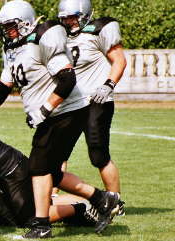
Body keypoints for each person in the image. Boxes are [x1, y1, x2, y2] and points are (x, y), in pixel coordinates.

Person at [0, 0, 120, 238]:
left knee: (38, 167)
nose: (7, 32)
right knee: (49, 171)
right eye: (4, 27)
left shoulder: (40, 41)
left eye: (11, 26)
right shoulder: (14, 50)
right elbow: (2, 88)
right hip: (53, 115)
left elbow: (67, 79)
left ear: (25, 23)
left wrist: (44, 109)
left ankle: (42, 225)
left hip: (66, 111)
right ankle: (101, 198)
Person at [57, 0, 126, 213]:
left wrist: (109, 85)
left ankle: (115, 202)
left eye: (73, 17)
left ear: (85, 15)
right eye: (65, 18)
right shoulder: (59, 35)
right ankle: (50, 197)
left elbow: (119, 60)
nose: (69, 22)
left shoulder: (99, 30)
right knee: (57, 152)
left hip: (97, 100)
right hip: (70, 102)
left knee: (98, 153)